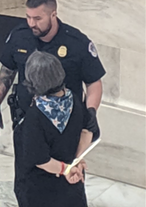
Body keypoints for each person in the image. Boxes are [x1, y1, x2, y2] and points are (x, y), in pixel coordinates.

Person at [0, 0, 105, 203]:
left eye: (38, 18)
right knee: (26, 183)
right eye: (28, 17)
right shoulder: (19, 36)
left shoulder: (76, 43)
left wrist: (91, 114)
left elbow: (94, 82)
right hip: (27, 121)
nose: (32, 23)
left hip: (67, 128)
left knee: (69, 188)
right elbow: (7, 71)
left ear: (53, 14)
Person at [17, 50, 95, 207]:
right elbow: (87, 131)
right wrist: (76, 162)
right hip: (72, 185)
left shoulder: (36, 115)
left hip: (41, 190)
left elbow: (40, 159)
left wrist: (66, 170)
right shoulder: (74, 98)